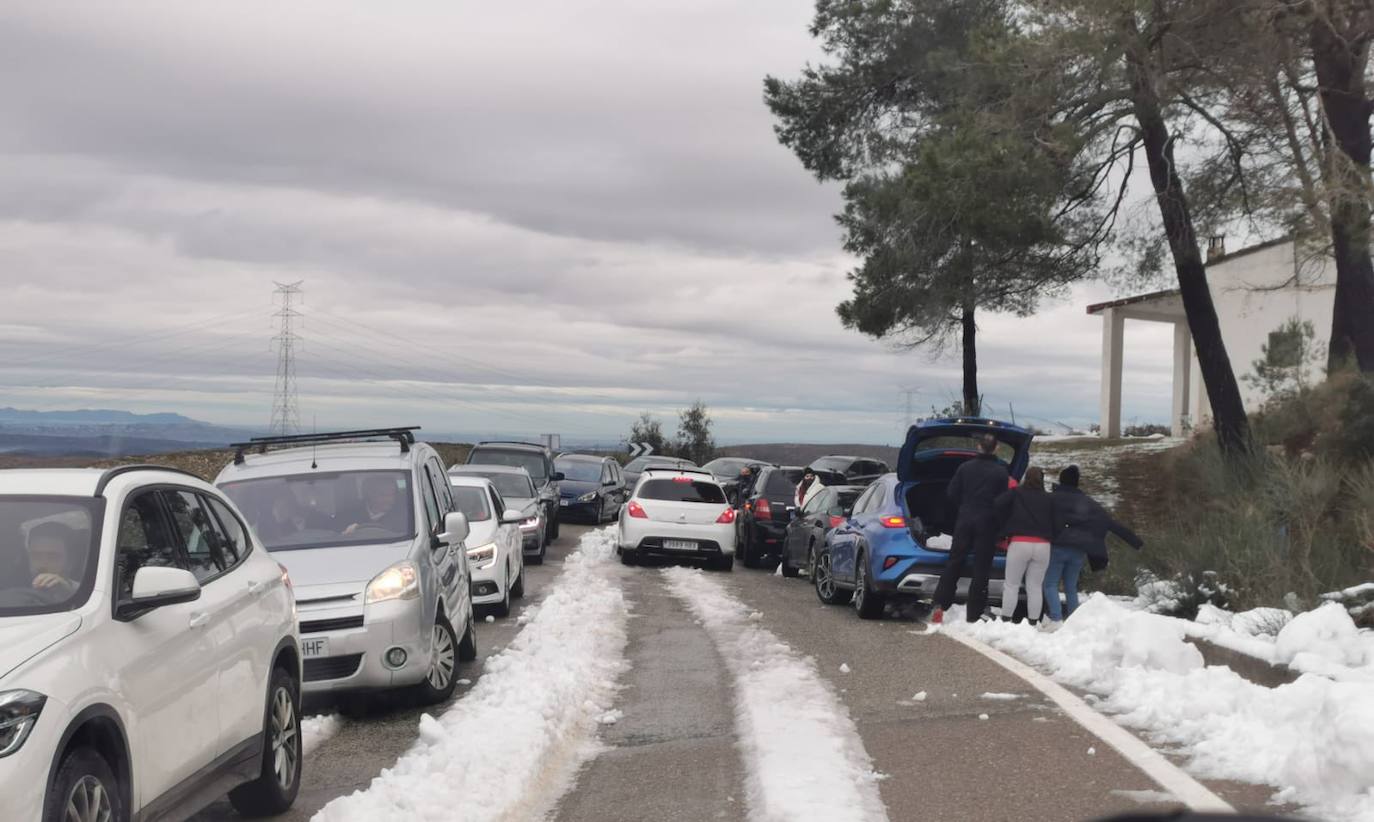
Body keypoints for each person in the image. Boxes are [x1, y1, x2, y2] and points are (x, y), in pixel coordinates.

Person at [1043, 465, 1144, 624]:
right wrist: (1136, 542)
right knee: (1071, 587)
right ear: (1077, 482)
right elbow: (1110, 523)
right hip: (1079, 551)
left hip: (1058, 548)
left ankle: (1056, 619)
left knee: (1050, 584)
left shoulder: (1052, 499)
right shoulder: (1088, 502)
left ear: (1061, 480)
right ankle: (1074, 621)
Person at [932, 433, 1009, 624]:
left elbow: (951, 493)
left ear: (978, 447)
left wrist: (965, 507)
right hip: (988, 523)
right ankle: (974, 614)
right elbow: (1003, 501)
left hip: (965, 520)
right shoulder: (1001, 473)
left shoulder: (965, 468)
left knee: (955, 562)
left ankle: (940, 606)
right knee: (982, 568)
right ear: (996, 448)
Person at [992, 466, 1055, 624]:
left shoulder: (1016, 493)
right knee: (1034, 586)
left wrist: (1004, 525)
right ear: (1042, 479)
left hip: (1019, 543)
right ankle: (1033, 622)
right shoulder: (1050, 498)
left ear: (1026, 478)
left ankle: (1006, 620)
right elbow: (1058, 521)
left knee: (1011, 584)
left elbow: (996, 505)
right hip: (1043, 546)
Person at [27, 521, 81, 599]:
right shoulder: (15, 590)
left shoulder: (87, 596)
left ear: (70, 563)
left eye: (53, 557)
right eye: (36, 556)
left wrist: (68, 594)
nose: (42, 564)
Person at [344, 475, 409, 535]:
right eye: (383, 495)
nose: (389, 499)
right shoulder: (350, 514)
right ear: (369, 494)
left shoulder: (404, 516)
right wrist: (347, 534)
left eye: (392, 494)